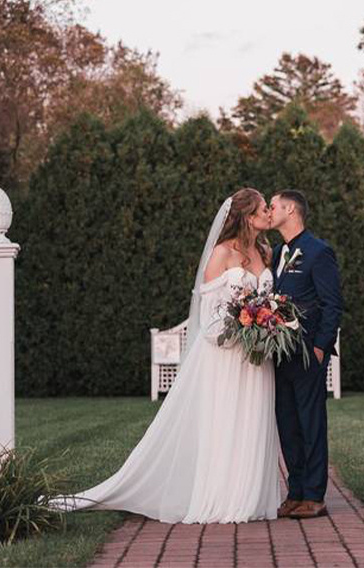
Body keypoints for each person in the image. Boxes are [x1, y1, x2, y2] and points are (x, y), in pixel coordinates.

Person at [53, 188, 282, 523]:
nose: (268, 213)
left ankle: (250, 496)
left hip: (257, 358)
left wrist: (266, 326)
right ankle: (222, 497)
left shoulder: (265, 250)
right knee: (226, 423)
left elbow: (267, 300)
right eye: (263, 208)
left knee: (254, 421)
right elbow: (209, 315)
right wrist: (240, 329)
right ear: (248, 216)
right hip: (227, 356)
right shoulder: (221, 253)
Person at [269, 189, 344, 519]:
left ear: (290, 209)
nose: (269, 212)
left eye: (273, 206)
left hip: (307, 352)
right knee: (287, 423)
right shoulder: (276, 253)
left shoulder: (318, 251)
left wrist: (318, 348)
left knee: (311, 423)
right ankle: (295, 491)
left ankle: (315, 495)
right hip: (279, 353)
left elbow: (332, 304)